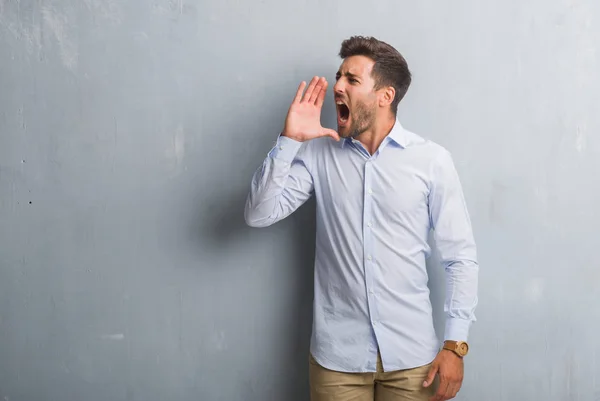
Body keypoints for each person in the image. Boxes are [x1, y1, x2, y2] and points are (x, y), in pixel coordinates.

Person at [244, 36, 479, 401]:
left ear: (385, 96)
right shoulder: (318, 154)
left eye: (351, 80)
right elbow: (259, 214)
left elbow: (459, 256)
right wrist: (289, 141)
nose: (337, 86)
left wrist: (455, 344)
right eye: (339, 76)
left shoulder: (431, 161)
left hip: (413, 359)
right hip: (337, 360)